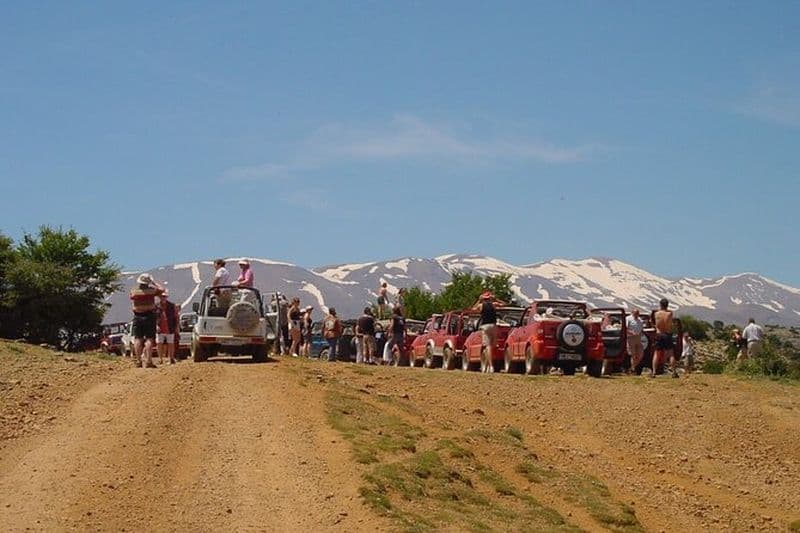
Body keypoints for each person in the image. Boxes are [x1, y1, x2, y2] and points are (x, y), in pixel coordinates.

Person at [129, 273, 165, 368]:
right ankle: (149, 360)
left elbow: (131, 297)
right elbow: (162, 289)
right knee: (149, 338)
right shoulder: (152, 291)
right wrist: (154, 283)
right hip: (149, 316)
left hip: (137, 316)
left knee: (138, 338)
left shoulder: (134, 291)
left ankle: (138, 361)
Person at [473, 291, 498, 374]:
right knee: (491, 347)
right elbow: (505, 304)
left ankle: (491, 366)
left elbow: (473, 309)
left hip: (485, 326)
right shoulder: (493, 305)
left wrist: (478, 300)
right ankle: (487, 367)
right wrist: (496, 299)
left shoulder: (481, 305)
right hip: (493, 325)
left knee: (488, 347)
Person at [653, 298, 677, 378]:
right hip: (667, 334)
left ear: (660, 305)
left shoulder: (656, 314)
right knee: (670, 354)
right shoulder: (669, 314)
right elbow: (670, 323)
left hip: (659, 334)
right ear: (667, 305)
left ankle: (654, 372)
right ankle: (674, 372)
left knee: (656, 353)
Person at [156, 292, 178, 365]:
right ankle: (160, 359)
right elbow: (153, 317)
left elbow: (176, 317)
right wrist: (156, 325)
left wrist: (176, 327)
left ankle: (171, 358)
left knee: (171, 343)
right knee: (159, 343)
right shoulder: (156, 306)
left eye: (164, 296)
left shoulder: (172, 305)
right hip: (160, 328)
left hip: (170, 327)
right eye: (162, 296)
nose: (163, 298)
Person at [625, 309, 645, 374]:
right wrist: (631, 332)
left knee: (640, 354)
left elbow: (642, 329)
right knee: (633, 354)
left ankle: (632, 368)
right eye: (635, 313)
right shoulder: (628, 319)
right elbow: (625, 328)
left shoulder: (640, 320)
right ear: (632, 313)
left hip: (638, 338)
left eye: (638, 313)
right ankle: (633, 369)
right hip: (631, 338)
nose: (637, 314)